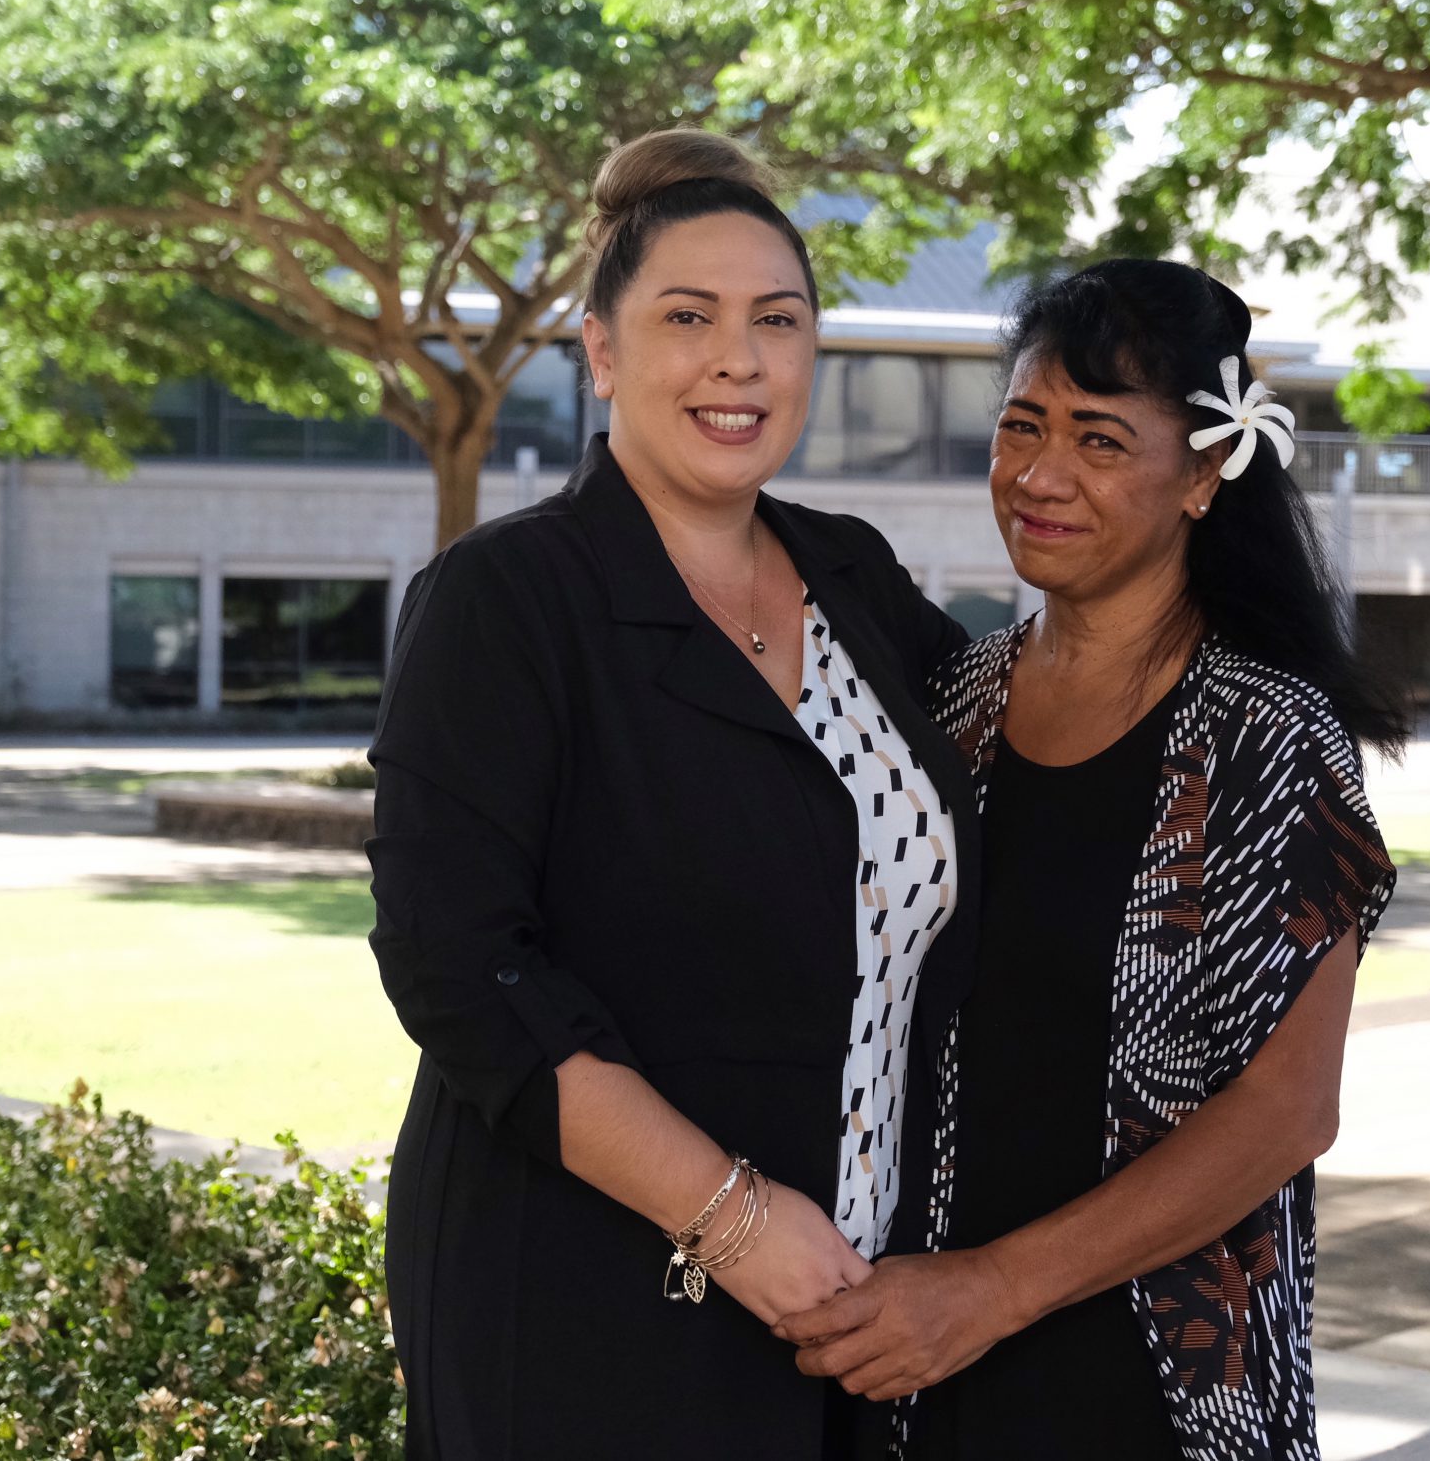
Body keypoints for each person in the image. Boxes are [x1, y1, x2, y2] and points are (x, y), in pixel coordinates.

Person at [367, 129, 981, 1461]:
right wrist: (736, 1217)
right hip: (584, 1290)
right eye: (687, 316)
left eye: (779, 320)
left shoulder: (853, 575)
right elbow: (458, 963)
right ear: (600, 349)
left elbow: (1027, 730)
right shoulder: (510, 599)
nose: (738, 358)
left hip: (848, 1301)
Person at [778, 259, 1409, 1460]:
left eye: (1101, 441)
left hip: (1150, 1383)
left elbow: (1286, 1112)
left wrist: (991, 1291)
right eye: (1022, 426)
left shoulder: (1268, 738)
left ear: (1206, 474)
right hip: (915, 1373)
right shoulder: (951, 709)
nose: (1039, 476)